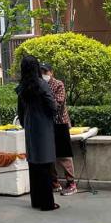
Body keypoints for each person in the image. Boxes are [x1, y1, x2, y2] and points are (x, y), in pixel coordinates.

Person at [16, 53, 59, 211]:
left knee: (33, 164)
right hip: (43, 127)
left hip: (30, 127)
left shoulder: (22, 87)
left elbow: (20, 111)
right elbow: (52, 105)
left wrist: (26, 123)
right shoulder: (42, 85)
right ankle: (47, 203)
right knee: (45, 165)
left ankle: (36, 200)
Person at [40, 62, 78, 196]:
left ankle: (71, 183)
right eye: (41, 72)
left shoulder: (58, 84)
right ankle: (54, 183)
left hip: (60, 123)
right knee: (49, 154)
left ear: (51, 72)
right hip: (46, 124)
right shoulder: (40, 85)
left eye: (45, 72)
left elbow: (58, 103)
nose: (44, 75)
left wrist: (43, 100)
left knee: (64, 155)